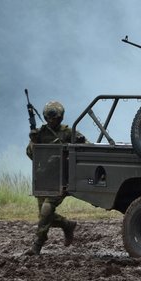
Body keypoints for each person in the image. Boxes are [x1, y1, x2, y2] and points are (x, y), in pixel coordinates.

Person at [25, 101, 88, 255]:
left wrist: (76, 145)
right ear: (46, 117)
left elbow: (86, 146)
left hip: (61, 179)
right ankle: (67, 225)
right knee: (44, 216)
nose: (53, 121)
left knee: (46, 210)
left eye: (56, 118)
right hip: (43, 179)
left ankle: (37, 245)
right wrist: (34, 141)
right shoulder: (40, 134)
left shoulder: (67, 132)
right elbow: (31, 155)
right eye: (50, 118)